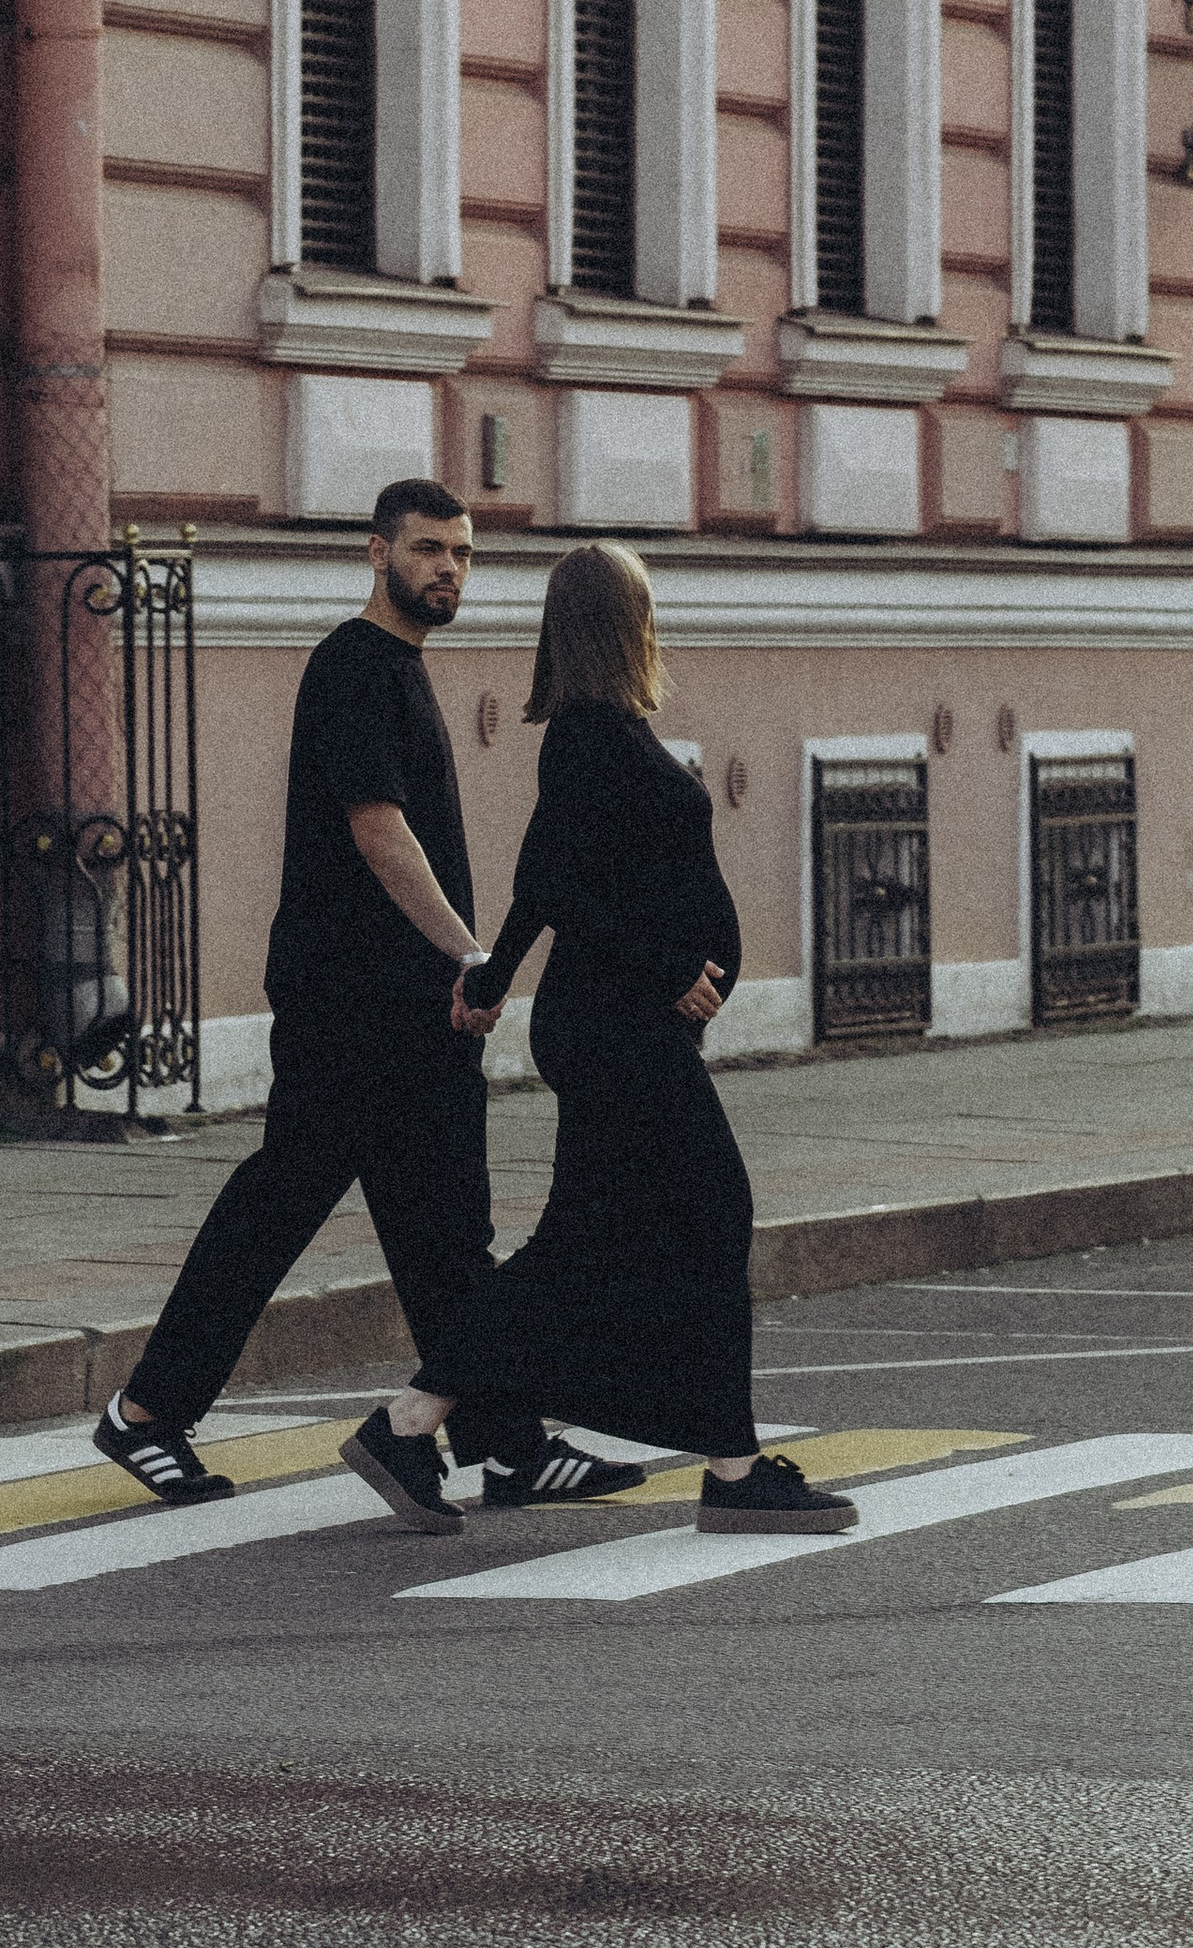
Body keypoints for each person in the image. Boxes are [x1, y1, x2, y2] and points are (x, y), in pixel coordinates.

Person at [93, 479, 642, 1520]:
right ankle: (145, 1412)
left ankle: (507, 1446)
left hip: (412, 1007)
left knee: (447, 1235)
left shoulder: (400, 670)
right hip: (349, 1005)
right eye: (429, 549)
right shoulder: (352, 666)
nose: (448, 570)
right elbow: (376, 829)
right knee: (277, 1210)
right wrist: (472, 955)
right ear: (377, 552)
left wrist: (455, 975)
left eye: (463, 554)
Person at [353, 542, 857, 1537]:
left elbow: (552, 872)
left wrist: (494, 979)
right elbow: (552, 883)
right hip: (614, 1029)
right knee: (712, 1211)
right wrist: (662, 968)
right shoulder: (588, 736)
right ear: (624, 623)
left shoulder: (607, 730)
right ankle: (731, 1469)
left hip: (615, 1027)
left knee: (585, 1239)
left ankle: (411, 1423)